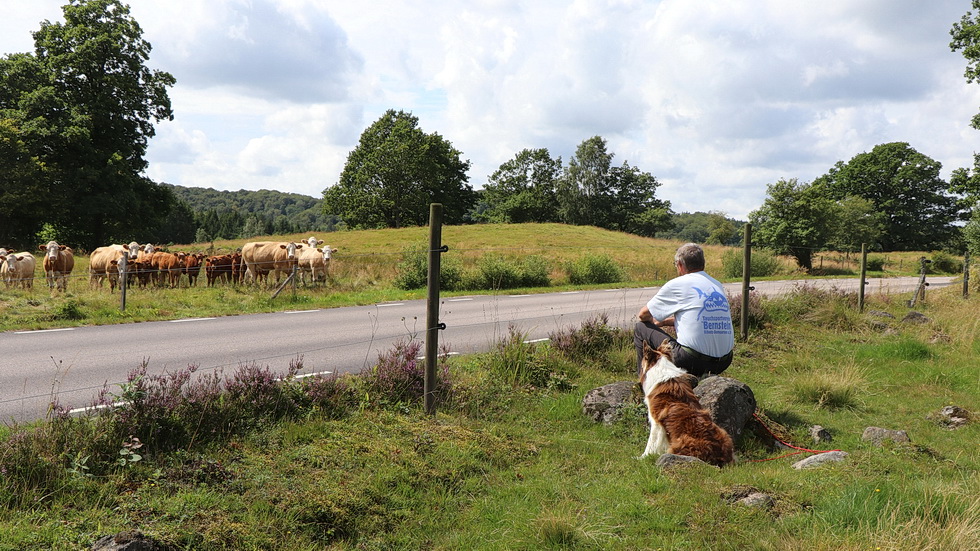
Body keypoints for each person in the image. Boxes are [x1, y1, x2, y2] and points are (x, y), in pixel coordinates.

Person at [634, 243, 734, 377]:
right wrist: (664, 323)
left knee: (641, 327)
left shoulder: (679, 284)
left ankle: (643, 379)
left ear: (680, 264)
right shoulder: (716, 284)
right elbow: (700, 318)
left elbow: (643, 315)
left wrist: (651, 322)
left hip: (692, 361)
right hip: (724, 362)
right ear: (702, 263)